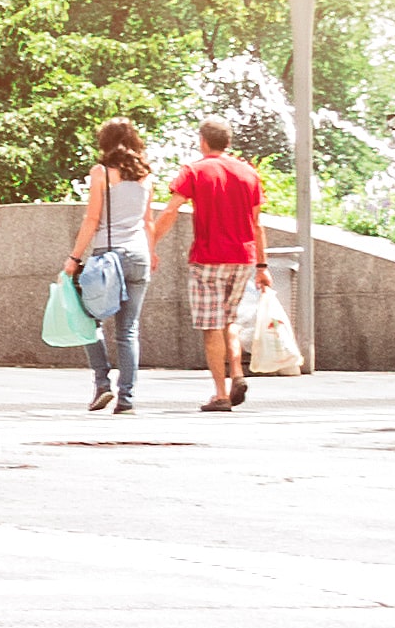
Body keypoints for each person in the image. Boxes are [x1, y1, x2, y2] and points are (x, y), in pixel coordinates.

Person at [167, 117, 274, 414]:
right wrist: (262, 266)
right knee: (229, 320)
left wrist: (151, 239)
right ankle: (237, 373)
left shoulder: (194, 170)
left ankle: (220, 394)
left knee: (211, 326)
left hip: (208, 259)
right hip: (243, 259)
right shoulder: (248, 173)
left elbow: (172, 209)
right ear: (227, 142)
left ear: (203, 141)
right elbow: (257, 224)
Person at [64, 122, 169, 413]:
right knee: (128, 331)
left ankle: (101, 383)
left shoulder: (101, 173)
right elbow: (148, 222)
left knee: (88, 322)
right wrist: (152, 251)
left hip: (108, 258)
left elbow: (92, 220)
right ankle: (127, 399)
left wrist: (74, 258)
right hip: (139, 257)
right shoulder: (146, 176)